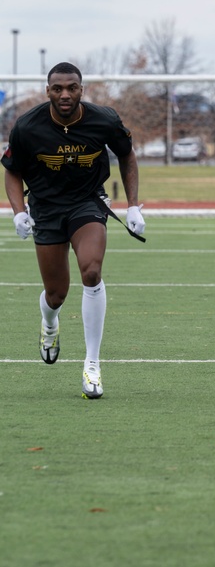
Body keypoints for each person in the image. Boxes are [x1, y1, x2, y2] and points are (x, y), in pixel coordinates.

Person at [2, 62, 145, 399]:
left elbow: (127, 155)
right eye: (57, 88)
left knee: (92, 272)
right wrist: (19, 213)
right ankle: (49, 323)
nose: (65, 94)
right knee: (56, 295)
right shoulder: (26, 126)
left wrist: (134, 204)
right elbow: (11, 171)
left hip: (87, 204)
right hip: (46, 209)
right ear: (47, 90)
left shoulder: (104, 119)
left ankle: (92, 364)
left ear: (82, 89)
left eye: (72, 87)